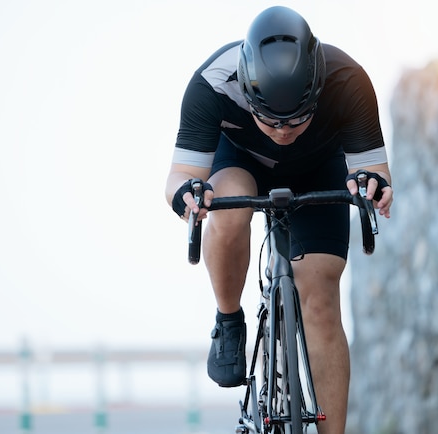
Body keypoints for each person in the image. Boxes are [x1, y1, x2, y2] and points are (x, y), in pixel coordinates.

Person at [165, 6, 393, 434]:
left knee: (322, 298)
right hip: (240, 163)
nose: (284, 130)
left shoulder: (348, 80)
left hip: (320, 168)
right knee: (228, 204)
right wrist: (187, 198)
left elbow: (375, 171)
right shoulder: (211, 83)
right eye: (269, 118)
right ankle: (229, 319)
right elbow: (179, 178)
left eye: (297, 116)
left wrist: (374, 188)